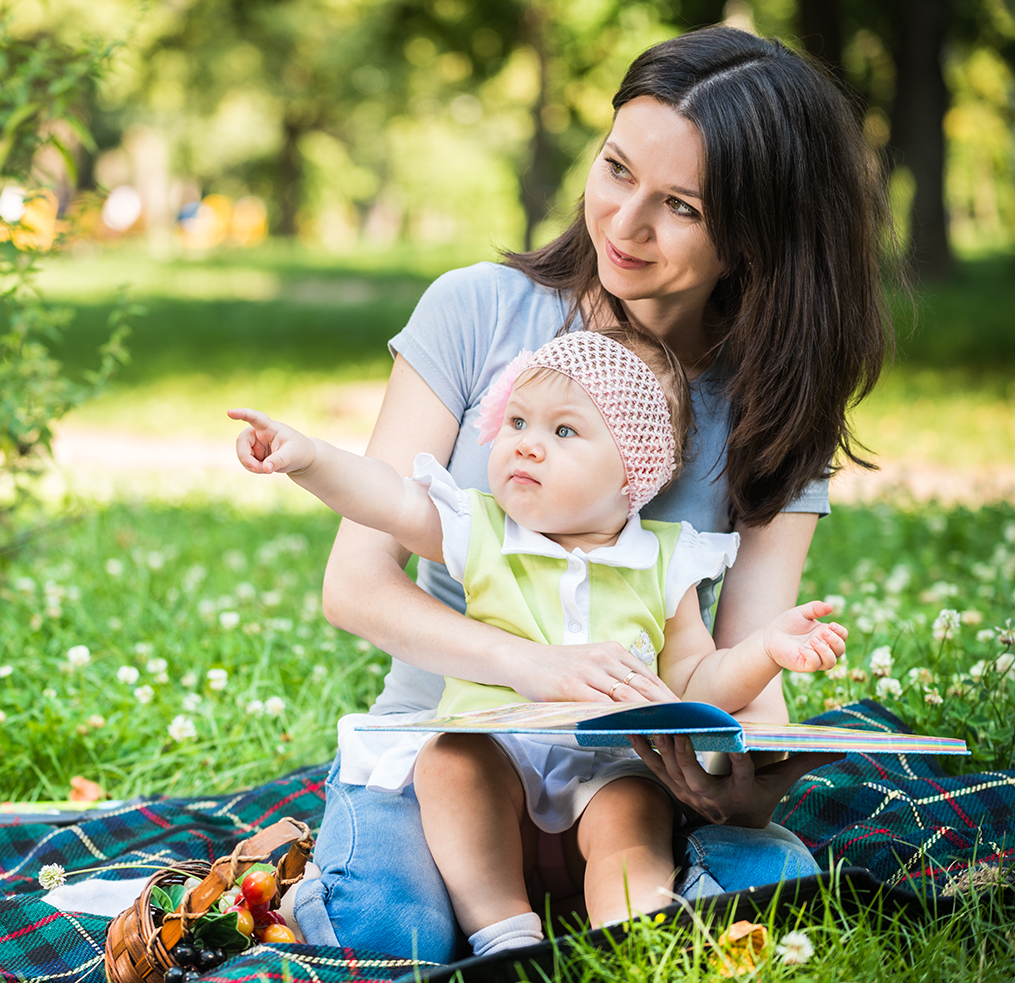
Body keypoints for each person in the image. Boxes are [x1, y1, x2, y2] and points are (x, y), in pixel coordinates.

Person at [282, 25, 892, 962]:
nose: (623, 223)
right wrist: (534, 672)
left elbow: (740, 674)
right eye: (615, 169)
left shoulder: (774, 403)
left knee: (771, 891)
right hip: (448, 753)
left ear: (759, 233)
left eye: (680, 205)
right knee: (386, 937)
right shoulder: (478, 309)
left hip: (631, 781)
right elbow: (357, 586)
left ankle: (622, 897)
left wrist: (746, 783)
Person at [231, 328, 847, 953]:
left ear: (636, 468)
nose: (526, 445)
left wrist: (766, 652)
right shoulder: (482, 530)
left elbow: (695, 680)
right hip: (494, 750)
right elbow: (387, 499)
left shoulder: (665, 561)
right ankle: (504, 931)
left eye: (563, 431)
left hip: (605, 765)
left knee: (632, 812)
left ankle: (630, 937)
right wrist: (310, 459)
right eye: (518, 421)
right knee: (449, 763)